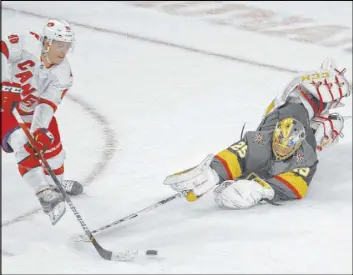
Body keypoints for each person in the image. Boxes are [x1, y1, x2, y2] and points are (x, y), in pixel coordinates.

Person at [163, 59, 351, 209]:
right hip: (285, 121)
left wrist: (262, 189)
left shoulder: (304, 154)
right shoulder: (265, 142)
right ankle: (306, 101)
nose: (281, 149)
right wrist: (215, 171)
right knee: (311, 120)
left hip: (295, 129)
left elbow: (297, 182)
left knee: (326, 126)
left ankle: (309, 105)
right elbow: (240, 152)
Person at [1, 19, 83, 225]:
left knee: (52, 148)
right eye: (59, 44)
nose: (63, 51)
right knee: (20, 141)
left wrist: (39, 131)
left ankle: (57, 186)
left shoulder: (64, 74)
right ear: (46, 42)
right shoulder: (26, 42)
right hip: (3, 105)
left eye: (66, 46)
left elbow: (46, 106)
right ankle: (43, 191)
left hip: (27, 110)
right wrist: (4, 84)